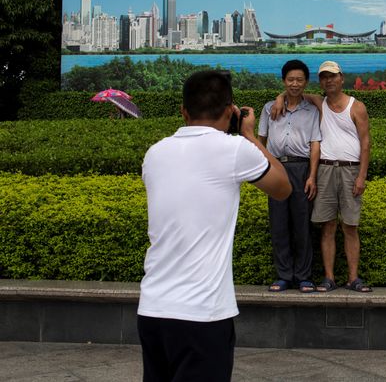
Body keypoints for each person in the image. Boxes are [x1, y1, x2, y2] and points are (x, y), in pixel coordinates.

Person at [137, 70, 290, 382]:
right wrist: (248, 135)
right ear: (229, 110)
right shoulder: (235, 149)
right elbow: (282, 187)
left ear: (183, 111)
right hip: (202, 314)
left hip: (153, 309)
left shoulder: (155, 153)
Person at [271, 60, 372, 293]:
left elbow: (366, 143)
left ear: (341, 78)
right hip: (325, 169)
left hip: (350, 170)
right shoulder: (319, 102)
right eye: (324, 77)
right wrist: (278, 99)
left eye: (333, 76)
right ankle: (329, 278)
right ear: (320, 81)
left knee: (350, 226)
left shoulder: (356, 107)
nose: (329, 80)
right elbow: (292, 92)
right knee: (327, 226)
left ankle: (353, 278)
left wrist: (361, 176)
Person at [258, 59, 321, 293]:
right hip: (276, 168)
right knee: (279, 224)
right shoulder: (268, 108)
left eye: (299, 80)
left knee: (302, 224)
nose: (295, 84)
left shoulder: (312, 110)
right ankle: (283, 275)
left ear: (306, 82)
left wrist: (312, 176)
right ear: (284, 81)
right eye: (290, 79)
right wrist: (264, 170)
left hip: (301, 168)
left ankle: (304, 276)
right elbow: (261, 141)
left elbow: (315, 144)